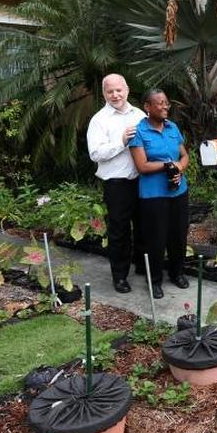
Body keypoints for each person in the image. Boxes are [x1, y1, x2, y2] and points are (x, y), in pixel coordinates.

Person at [86, 74, 146, 293]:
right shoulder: (99, 120)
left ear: (127, 90)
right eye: (110, 91)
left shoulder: (140, 115)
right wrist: (121, 141)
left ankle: (143, 267)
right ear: (104, 94)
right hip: (117, 185)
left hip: (142, 180)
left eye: (118, 90)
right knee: (119, 231)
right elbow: (95, 153)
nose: (115, 95)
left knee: (144, 227)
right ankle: (119, 276)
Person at [128, 89, 190, 299]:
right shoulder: (139, 132)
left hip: (178, 191)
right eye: (160, 103)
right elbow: (142, 166)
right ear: (147, 107)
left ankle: (176, 273)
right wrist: (167, 165)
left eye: (167, 103)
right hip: (154, 195)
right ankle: (154, 281)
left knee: (178, 235)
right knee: (156, 239)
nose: (165, 107)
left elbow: (184, 155)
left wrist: (179, 169)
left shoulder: (173, 128)